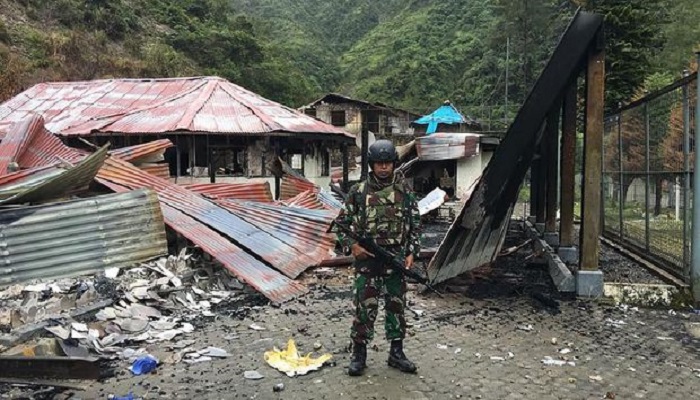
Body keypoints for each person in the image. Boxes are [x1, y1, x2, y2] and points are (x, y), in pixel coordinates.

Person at [336, 139, 421, 376]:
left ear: (393, 164)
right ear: (371, 165)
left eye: (387, 163)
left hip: (396, 260)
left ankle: (396, 353)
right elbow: (341, 224)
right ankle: (359, 354)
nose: (383, 168)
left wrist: (412, 252)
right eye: (379, 163)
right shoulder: (358, 192)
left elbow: (415, 225)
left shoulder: (405, 191)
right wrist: (352, 246)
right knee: (364, 308)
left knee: (396, 307)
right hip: (367, 261)